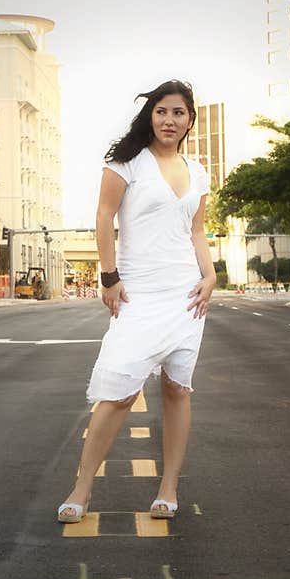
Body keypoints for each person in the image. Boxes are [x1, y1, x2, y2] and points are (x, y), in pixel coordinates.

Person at [57, 79, 215, 523]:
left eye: (179, 113)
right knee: (118, 393)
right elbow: (104, 218)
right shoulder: (126, 163)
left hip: (186, 294)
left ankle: (168, 489)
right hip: (138, 292)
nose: (170, 120)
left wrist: (211, 274)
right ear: (151, 114)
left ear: (189, 120)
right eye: (162, 111)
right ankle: (82, 488)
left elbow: (196, 231)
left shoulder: (198, 171)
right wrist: (109, 277)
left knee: (177, 389)